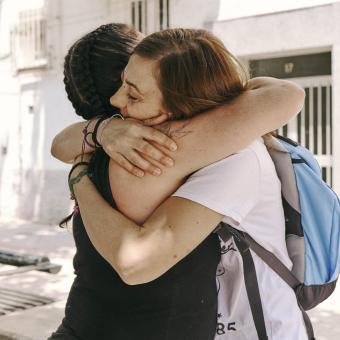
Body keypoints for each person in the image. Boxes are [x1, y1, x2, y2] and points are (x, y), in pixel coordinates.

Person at [50, 25, 306, 340]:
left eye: (133, 92)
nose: (119, 101)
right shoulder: (133, 146)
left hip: (257, 327)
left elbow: (134, 262)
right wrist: (100, 131)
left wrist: (80, 179)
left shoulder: (213, 154)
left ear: (177, 100)